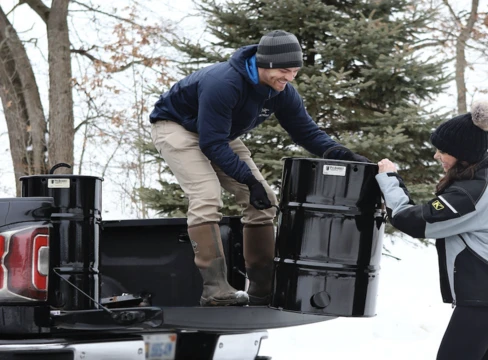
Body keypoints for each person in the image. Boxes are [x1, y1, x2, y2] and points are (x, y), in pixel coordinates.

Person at [149, 30, 368, 306]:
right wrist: (248, 181)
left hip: (219, 134)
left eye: (295, 72)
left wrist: (344, 155)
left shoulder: (282, 91)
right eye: (285, 71)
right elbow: (212, 144)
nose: (289, 78)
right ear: (267, 64)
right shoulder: (224, 83)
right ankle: (215, 288)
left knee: (264, 201)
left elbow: (306, 132)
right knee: (206, 195)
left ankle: (263, 287)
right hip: (176, 128)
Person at [375, 101, 488, 360]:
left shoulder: (469, 194)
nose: (437, 155)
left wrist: (389, 180)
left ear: (463, 154)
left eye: (442, 151)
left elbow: (412, 221)